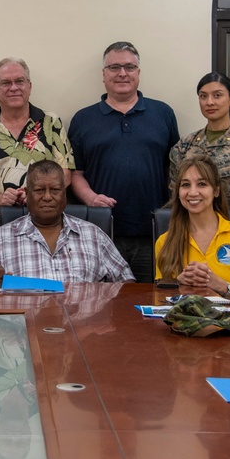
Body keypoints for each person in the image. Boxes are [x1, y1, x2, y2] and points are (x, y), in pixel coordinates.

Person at [69, 41, 179, 283]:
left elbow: (175, 171)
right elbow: (75, 173)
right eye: (114, 67)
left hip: (154, 233)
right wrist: (90, 198)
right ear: (103, 74)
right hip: (99, 234)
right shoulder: (83, 119)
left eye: (129, 67)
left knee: (151, 303)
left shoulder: (163, 114)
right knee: (101, 307)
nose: (122, 73)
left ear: (138, 73)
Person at [0, 160, 134, 283]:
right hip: (22, 328)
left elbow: (127, 283)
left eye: (55, 190)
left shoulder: (94, 235)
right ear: (27, 193)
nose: (47, 197)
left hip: (84, 327)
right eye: (39, 190)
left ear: (64, 193)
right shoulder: (0, 239)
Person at [0, 58, 75, 242]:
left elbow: (65, 172)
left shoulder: (51, 123)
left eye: (19, 81)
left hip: (47, 226)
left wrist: (36, 193)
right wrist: (0, 198)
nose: (14, 87)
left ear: (29, 86)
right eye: (5, 83)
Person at [154, 154, 230, 316]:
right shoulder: (164, 241)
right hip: (184, 332)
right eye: (185, 185)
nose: (192, 192)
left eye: (201, 184)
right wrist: (180, 284)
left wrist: (221, 286)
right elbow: (159, 304)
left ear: (216, 190)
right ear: (178, 192)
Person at [168, 72, 230, 211]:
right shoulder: (183, 147)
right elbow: (176, 199)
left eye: (217, 95)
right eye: (203, 96)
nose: (209, 102)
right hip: (190, 227)